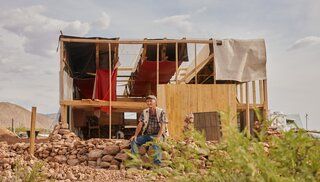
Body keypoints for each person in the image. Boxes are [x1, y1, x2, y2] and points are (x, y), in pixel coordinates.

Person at [129, 95, 168, 165]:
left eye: (151, 101)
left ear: (155, 102)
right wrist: (135, 135)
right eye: (147, 101)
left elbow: (163, 125)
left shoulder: (161, 112)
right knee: (133, 140)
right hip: (147, 135)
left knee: (156, 144)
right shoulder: (144, 112)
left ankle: (157, 163)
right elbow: (140, 124)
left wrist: (158, 137)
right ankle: (135, 159)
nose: (149, 103)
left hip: (158, 135)